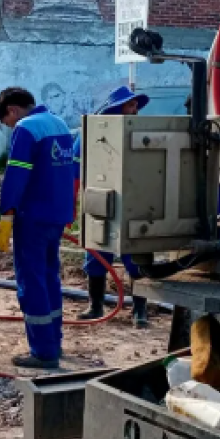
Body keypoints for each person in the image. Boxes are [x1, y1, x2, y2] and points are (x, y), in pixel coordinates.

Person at [0, 87, 76, 369]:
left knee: (32, 283)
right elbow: (68, 172)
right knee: (50, 278)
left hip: (33, 216)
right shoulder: (60, 123)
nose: (10, 127)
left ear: (13, 111)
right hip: (57, 214)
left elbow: (16, 174)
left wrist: (6, 213)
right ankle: (53, 341)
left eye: (8, 123)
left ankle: (43, 352)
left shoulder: (27, 128)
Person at [74, 86, 151, 328]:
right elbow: (76, 168)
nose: (134, 110)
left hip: (134, 202)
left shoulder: (142, 132)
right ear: (116, 108)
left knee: (136, 258)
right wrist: (75, 200)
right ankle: (95, 305)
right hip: (100, 200)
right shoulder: (91, 133)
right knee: (96, 255)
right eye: (130, 106)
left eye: (135, 106)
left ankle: (140, 310)